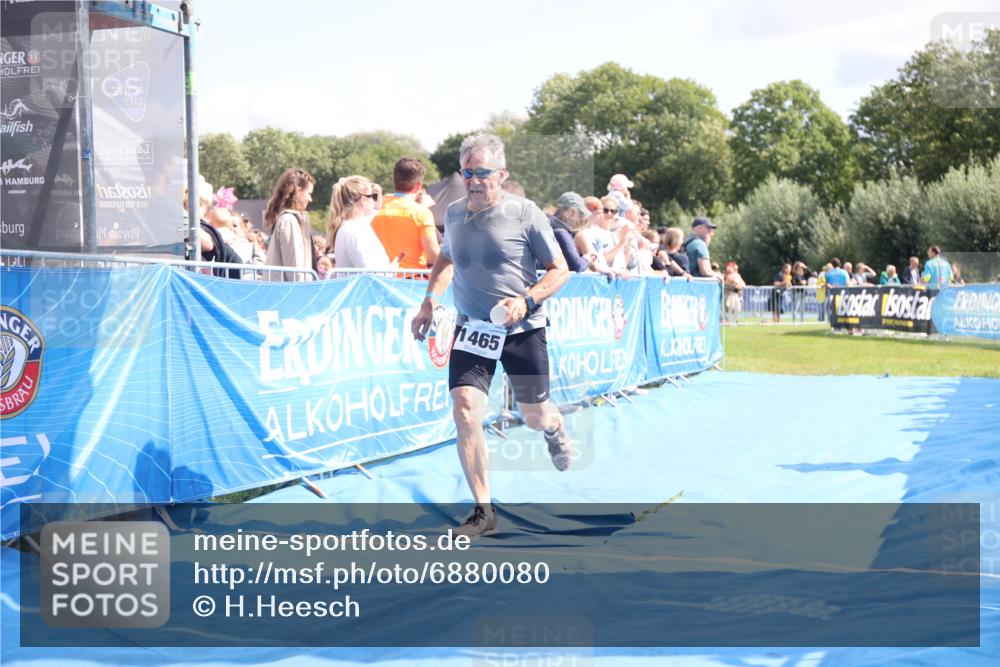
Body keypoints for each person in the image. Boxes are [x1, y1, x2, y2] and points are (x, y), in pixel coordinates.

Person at [410, 133, 571, 537]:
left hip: (522, 328)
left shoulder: (525, 212)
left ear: (501, 174)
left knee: (533, 416)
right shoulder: (453, 215)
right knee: (465, 408)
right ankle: (484, 511)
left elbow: (559, 270)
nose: (474, 180)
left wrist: (527, 301)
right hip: (473, 328)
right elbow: (446, 259)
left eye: (483, 173)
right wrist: (429, 300)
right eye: (468, 172)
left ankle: (553, 426)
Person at [372, 157, 440, 271]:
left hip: (381, 279)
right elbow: (434, 257)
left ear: (394, 181)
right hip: (412, 281)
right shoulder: (422, 213)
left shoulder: (375, 208)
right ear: (419, 185)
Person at [263, 168, 316, 281]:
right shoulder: (289, 221)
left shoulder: (288, 219)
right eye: (309, 194)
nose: (310, 199)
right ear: (298, 191)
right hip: (290, 293)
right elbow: (295, 266)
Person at [327, 176, 390, 270]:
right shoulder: (355, 231)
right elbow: (369, 272)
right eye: (373, 197)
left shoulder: (351, 226)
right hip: (367, 284)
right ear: (363, 200)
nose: (374, 200)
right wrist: (391, 270)